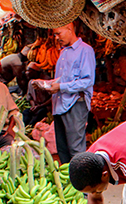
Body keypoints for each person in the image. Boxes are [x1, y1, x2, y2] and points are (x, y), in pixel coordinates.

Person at [38, 22, 95, 164]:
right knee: (62, 148)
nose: (57, 37)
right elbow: (63, 79)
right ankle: (67, 181)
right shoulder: (64, 52)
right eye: (55, 34)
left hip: (75, 104)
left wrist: (60, 87)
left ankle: (81, 182)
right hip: (59, 104)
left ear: (69, 29)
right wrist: (48, 84)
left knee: (76, 148)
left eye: (59, 33)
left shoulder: (85, 50)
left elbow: (87, 81)